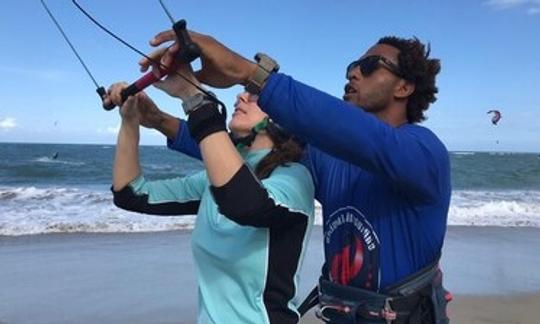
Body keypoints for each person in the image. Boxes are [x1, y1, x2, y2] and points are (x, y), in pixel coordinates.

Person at [137, 31, 452, 323]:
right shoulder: (327, 159)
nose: (353, 73)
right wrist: (159, 120)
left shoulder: (424, 153)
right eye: (352, 65)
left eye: (369, 65)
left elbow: (370, 140)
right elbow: (241, 154)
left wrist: (248, 72)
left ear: (404, 87)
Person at [107, 65, 315, 324]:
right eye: (243, 92)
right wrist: (130, 120)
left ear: (282, 118)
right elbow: (132, 194)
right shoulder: (215, 180)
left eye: (255, 96)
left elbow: (245, 202)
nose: (241, 97)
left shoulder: (293, 176)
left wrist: (193, 97)